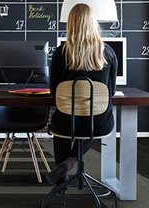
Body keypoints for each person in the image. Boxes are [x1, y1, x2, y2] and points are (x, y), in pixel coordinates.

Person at [45, 3, 118, 186]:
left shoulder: (61, 53)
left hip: (66, 121)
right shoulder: (108, 53)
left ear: (70, 24)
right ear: (94, 23)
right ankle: (69, 162)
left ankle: (60, 185)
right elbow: (112, 92)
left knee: (62, 129)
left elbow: (55, 91)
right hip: (99, 122)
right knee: (88, 125)